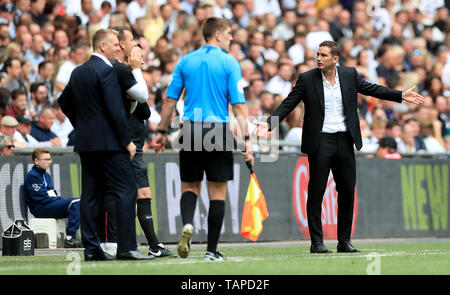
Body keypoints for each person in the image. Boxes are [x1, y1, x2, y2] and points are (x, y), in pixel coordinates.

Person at [255, 41, 424, 254]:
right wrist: (269, 124)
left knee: (346, 191)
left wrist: (400, 95)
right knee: (316, 192)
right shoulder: (307, 79)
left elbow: (372, 89)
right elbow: (289, 102)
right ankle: (317, 243)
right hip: (320, 141)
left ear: (335, 59)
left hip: (345, 140)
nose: (318, 58)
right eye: (317, 54)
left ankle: (344, 241)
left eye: (324, 55)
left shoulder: (349, 75)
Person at [152, 17, 254, 261]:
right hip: (218, 129)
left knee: (189, 186)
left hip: (190, 129)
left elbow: (169, 101)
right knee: (217, 193)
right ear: (217, 35)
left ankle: (188, 223)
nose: (231, 37)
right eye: (229, 33)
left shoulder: (186, 61)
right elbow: (239, 106)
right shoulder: (230, 63)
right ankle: (211, 250)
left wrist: (161, 132)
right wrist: (247, 140)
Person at [58, 29, 152, 261]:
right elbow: (114, 109)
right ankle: (127, 248)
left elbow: (63, 101)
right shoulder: (108, 70)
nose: (119, 48)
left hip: (87, 143)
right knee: (126, 190)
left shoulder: (78, 72)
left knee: (91, 195)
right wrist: (126, 141)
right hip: (110, 144)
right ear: (102, 46)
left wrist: (81, 125)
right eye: (114, 45)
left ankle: (91, 249)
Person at [99, 26, 173, 258]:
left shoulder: (124, 71)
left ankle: (150, 244)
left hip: (135, 140)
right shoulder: (118, 70)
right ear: (122, 45)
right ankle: (112, 242)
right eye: (132, 40)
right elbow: (142, 100)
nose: (136, 45)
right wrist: (137, 69)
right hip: (123, 141)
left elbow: (144, 110)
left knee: (140, 192)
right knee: (124, 192)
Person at [23, 148, 82, 248]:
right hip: (41, 209)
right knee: (76, 202)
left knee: (81, 204)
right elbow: (41, 199)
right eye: (45, 159)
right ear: (36, 161)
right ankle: (70, 238)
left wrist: (58, 199)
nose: (48, 162)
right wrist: (59, 200)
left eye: (49, 159)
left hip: (49, 205)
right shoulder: (32, 176)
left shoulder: (46, 175)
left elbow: (51, 194)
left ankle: (81, 236)